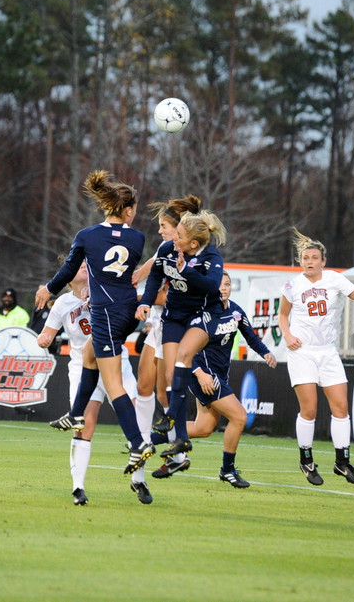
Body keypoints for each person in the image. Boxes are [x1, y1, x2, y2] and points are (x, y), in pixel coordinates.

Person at [35, 170, 153, 477]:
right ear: (127, 211)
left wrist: (48, 288)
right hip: (127, 311)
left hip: (106, 314)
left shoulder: (87, 236)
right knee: (89, 355)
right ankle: (76, 414)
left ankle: (138, 443)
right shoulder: (137, 238)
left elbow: (68, 271)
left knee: (112, 384)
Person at [278, 228, 354, 486]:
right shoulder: (292, 285)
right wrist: (287, 335)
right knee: (310, 409)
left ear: (323, 261)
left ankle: (342, 463)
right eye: (305, 258)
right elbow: (283, 315)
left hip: (327, 352)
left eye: (314, 257)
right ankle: (306, 461)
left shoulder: (334, 279)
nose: (309, 261)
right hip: (302, 352)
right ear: (300, 261)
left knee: (341, 408)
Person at [150, 271, 277, 487]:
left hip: (218, 375)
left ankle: (146, 439)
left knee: (203, 428)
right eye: (219, 285)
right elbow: (184, 349)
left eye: (227, 284)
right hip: (204, 374)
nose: (224, 288)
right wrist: (200, 374)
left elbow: (251, 336)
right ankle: (227, 470)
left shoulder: (235, 312)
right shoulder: (202, 313)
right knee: (239, 417)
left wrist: (265, 352)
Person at [37, 262, 148, 504]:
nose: (86, 267)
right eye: (80, 266)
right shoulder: (63, 303)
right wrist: (44, 339)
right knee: (83, 425)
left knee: (136, 418)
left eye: (89, 264)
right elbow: (46, 333)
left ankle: (139, 479)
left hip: (115, 360)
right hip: (82, 366)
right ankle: (78, 488)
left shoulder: (106, 289)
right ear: (68, 277)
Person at [136, 210, 227, 463]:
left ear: (193, 244)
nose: (174, 238)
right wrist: (145, 302)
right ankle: (181, 437)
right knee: (169, 375)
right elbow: (155, 276)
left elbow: (211, 286)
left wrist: (186, 270)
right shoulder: (167, 249)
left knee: (184, 356)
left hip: (202, 315)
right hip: (174, 316)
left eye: (180, 235)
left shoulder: (210, 256)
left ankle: (172, 421)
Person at [132, 195, 202, 437]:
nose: (159, 230)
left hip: (173, 324)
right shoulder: (163, 251)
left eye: (164, 226)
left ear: (178, 230)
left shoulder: (190, 256)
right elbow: (147, 275)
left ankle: (178, 446)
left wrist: (142, 300)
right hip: (158, 323)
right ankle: (140, 442)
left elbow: (166, 296)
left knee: (165, 391)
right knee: (143, 385)